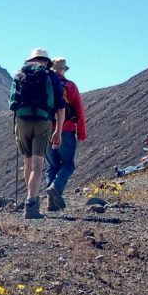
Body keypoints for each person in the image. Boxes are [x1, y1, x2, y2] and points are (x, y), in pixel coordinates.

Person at [8, 48, 65, 219]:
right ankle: (31, 204)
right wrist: (58, 131)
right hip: (42, 121)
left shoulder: (19, 74)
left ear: (30, 60)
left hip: (22, 121)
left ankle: (29, 198)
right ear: (46, 62)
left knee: (28, 162)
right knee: (38, 165)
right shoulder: (51, 76)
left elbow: (11, 103)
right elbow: (60, 107)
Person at [44, 58, 87, 212]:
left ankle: (51, 203)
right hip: (66, 130)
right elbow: (79, 111)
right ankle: (56, 187)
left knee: (52, 166)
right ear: (63, 70)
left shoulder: (45, 85)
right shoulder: (70, 86)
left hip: (46, 130)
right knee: (68, 164)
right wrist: (81, 132)